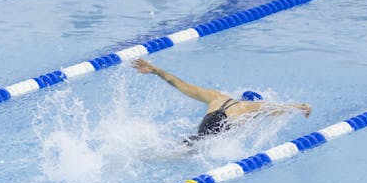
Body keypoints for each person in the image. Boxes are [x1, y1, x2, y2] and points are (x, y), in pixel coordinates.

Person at [132, 58, 311, 144]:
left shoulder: (217, 97)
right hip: (215, 135)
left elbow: (182, 86)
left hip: (205, 128)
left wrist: (156, 70)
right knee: (192, 149)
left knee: (184, 146)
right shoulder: (251, 107)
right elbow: (276, 109)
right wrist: (299, 107)